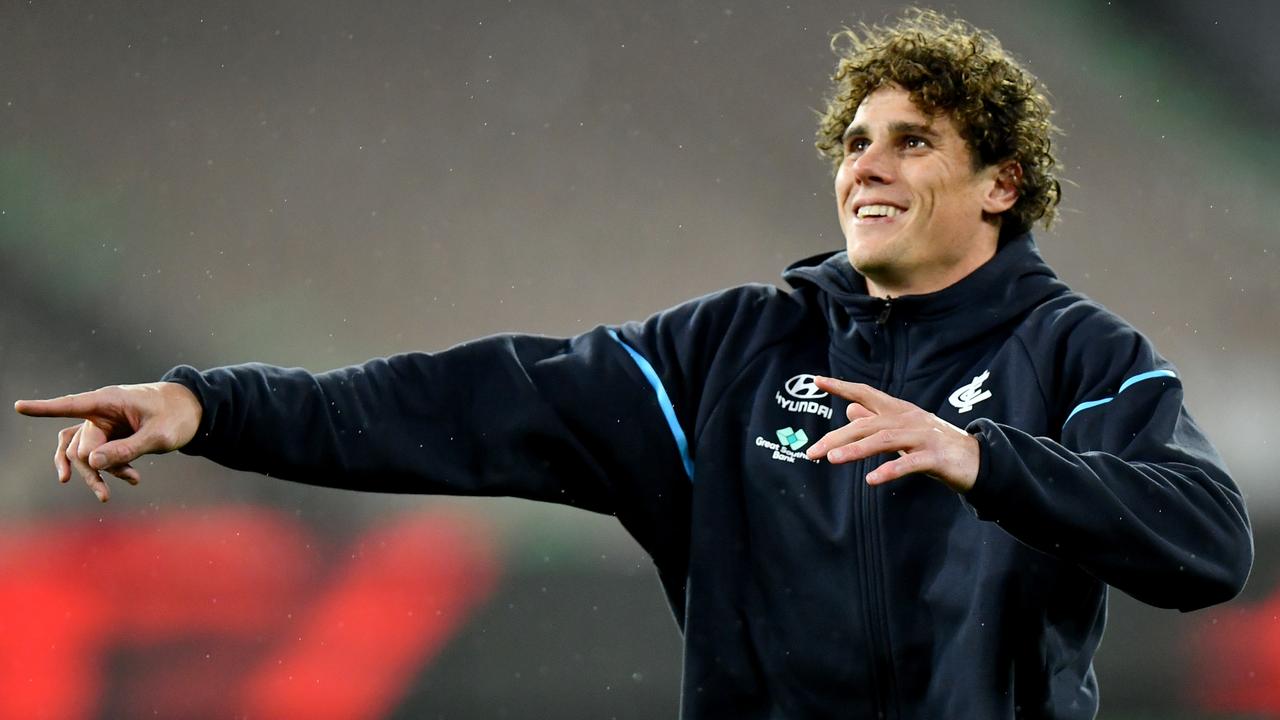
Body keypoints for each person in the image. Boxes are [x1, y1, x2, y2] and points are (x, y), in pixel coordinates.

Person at [14, 9, 1253, 719]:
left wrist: (986, 462)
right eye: (854, 140)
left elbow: (1204, 544)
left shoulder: (1080, 356)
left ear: (1001, 184)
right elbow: (464, 399)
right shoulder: (727, 353)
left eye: (910, 141)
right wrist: (205, 406)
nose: (863, 165)